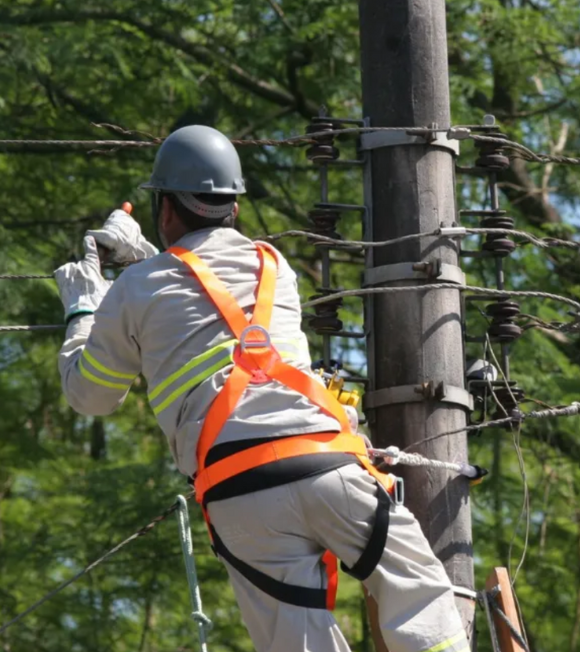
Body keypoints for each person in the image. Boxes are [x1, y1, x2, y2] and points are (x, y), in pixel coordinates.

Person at [54, 125, 469, 652]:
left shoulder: (138, 289)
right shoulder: (275, 265)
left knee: (298, 641)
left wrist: (85, 307)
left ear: (164, 210)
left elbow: (91, 394)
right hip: (326, 466)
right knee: (420, 596)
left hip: (241, 496)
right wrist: (147, 259)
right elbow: (204, 292)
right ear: (234, 208)